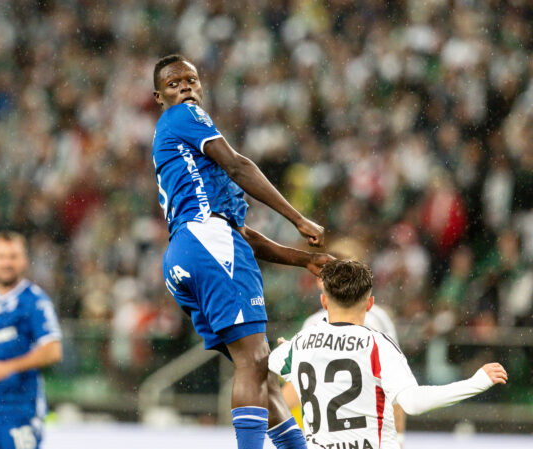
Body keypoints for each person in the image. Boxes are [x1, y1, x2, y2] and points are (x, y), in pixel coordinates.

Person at [152, 54, 331, 449]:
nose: (185, 88)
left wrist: (304, 259)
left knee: (261, 374)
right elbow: (238, 165)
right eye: (173, 83)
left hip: (185, 254)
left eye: (191, 80)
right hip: (207, 243)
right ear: (159, 96)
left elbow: (241, 234)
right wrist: (297, 219)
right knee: (255, 361)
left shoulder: (187, 159)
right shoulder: (187, 118)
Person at [269, 259, 507, 449]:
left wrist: (286, 350)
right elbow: (413, 402)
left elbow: (270, 363)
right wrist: (475, 383)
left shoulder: (300, 344)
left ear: (323, 301)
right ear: (370, 304)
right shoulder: (377, 344)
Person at [0, 231, 63, 449]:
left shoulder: (35, 301)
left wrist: (7, 368)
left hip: (20, 409)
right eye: (1, 256)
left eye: (13, 256)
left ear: (24, 261)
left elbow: (53, 350)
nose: (6, 263)